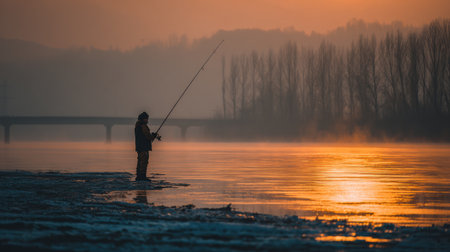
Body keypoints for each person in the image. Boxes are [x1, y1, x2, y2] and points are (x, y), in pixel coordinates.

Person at [134, 112, 160, 181]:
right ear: (143, 119)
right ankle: (142, 177)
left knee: (140, 162)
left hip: (139, 147)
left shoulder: (138, 125)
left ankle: (139, 176)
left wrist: (152, 136)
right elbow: (148, 136)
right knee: (144, 162)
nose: (147, 120)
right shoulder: (143, 126)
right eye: (146, 119)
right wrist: (153, 136)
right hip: (143, 147)